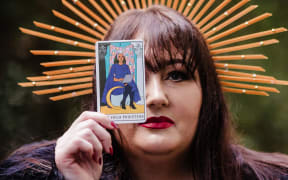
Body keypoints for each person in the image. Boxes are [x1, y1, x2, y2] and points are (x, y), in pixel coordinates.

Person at [1, 5, 288, 180]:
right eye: (133, 76)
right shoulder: (37, 173)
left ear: (207, 94)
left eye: (177, 75)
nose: (155, 97)